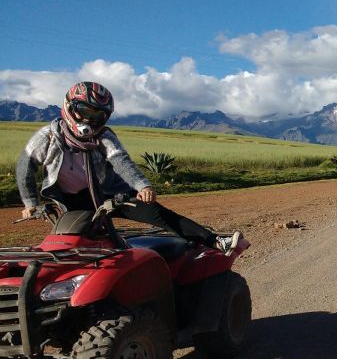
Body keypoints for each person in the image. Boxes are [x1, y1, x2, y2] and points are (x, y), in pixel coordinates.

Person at [16, 82, 241, 255]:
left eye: (98, 115)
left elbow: (121, 162)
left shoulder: (104, 136)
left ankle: (215, 241)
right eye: (85, 111)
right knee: (78, 239)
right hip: (73, 199)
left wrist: (142, 185)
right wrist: (30, 204)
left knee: (159, 215)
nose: (90, 119)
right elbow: (25, 168)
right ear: (69, 107)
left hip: (113, 193)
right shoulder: (46, 137)